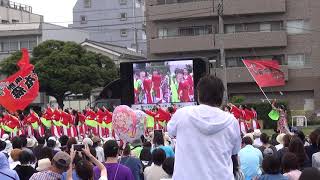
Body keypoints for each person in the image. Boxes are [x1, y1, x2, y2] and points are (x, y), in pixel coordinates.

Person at [168, 75, 241, 180]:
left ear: (198, 94)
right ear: (221, 96)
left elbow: (171, 131)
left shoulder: (182, 114)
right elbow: (235, 151)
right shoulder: (231, 121)